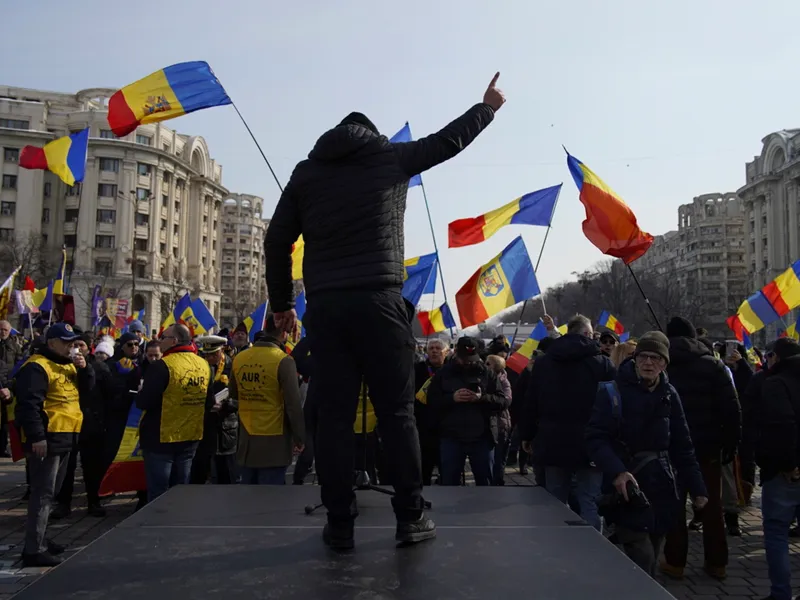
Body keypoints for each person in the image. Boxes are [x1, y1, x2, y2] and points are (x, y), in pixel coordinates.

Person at [264, 73, 506, 549]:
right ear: (373, 136)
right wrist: (488, 107)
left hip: (327, 309)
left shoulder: (305, 173)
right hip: (380, 303)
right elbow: (447, 142)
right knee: (397, 415)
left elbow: (276, 241)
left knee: (332, 418)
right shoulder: (390, 157)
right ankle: (410, 518)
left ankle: (338, 524)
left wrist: (281, 305)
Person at [586, 331, 707, 577]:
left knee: (652, 553)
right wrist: (618, 472)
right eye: (643, 357)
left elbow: (683, 445)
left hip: (662, 489)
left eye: (656, 358)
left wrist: (698, 489)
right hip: (628, 490)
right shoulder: (612, 392)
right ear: (635, 359)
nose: (649, 363)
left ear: (664, 363)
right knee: (642, 559)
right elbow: (595, 439)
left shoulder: (670, 394)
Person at [660, 317, 741, 581]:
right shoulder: (714, 365)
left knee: (673, 505)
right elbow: (731, 409)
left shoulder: (663, 365)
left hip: (671, 447)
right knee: (712, 506)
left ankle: (675, 563)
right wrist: (730, 445)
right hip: (708, 448)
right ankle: (717, 563)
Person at [521, 314, 616, 531]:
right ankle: (593, 551)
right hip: (592, 443)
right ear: (586, 334)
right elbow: (614, 406)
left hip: (553, 441)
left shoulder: (544, 363)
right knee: (590, 501)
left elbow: (531, 401)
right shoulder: (603, 364)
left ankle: (554, 549)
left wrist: (527, 435)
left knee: (554, 501)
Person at [14, 323, 94, 567]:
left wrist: (85, 369)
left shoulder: (68, 364)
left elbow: (87, 392)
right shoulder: (37, 367)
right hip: (46, 440)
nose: (72, 346)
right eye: (67, 341)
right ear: (52, 343)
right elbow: (29, 405)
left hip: (66, 436)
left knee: (52, 494)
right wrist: (37, 436)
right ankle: (33, 549)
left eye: (74, 341)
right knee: (43, 494)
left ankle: (40, 539)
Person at [137, 324, 215, 501]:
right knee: (181, 491)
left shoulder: (162, 366)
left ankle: (159, 527)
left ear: (174, 341)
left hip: (162, 437)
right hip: (190, 436)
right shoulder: (204, 365)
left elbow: (145, 402)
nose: (159, 341)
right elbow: (209, 402)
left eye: (163, 337)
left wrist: (140, 393)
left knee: (159, 493)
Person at [427, 337, 510, 486]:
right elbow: (432, 401)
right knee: (449, 482)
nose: (468, 362)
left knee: (485, 482)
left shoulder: (487, 373)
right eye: (464, 359)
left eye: (472, 359)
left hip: (482, 437)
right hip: (451, 436)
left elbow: (503, 401)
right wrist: (452, 398)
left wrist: (482, 398)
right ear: (456, 354)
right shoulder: (443, 374)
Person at [232, 317, 304, 486]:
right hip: (274, 444)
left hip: (247, 443)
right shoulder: (283, 360)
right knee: (270, 502)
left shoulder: (240, 358)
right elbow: (293, 404)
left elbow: (234, 394)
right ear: (284, 333)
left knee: (246, 499)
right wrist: (299, 437)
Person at [755, 337, 800, 600]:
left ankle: (781, 594)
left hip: (785, 471)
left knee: (776, 532)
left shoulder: (775, 384)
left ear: (777, 357)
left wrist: (790, 463)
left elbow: (782, 426)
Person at [190, 335, 238, 485]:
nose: (209, 357)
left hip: (225, 427)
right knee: (198, 473)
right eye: (206, 354)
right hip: (204, 425)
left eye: (213, 354)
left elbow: (244, 398)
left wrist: (227, 405)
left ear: (222, 351)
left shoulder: (234, 366)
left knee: (226, 473)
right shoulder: (199, 367)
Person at [413, 339, 447, 485]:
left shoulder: (451, 370)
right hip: (423, 425)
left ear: (446, 352)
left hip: (446, 425)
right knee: (423, 467)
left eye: (438, 348)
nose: (434, 351)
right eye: (431, 348)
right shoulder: (417, 369)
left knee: (447, 467)